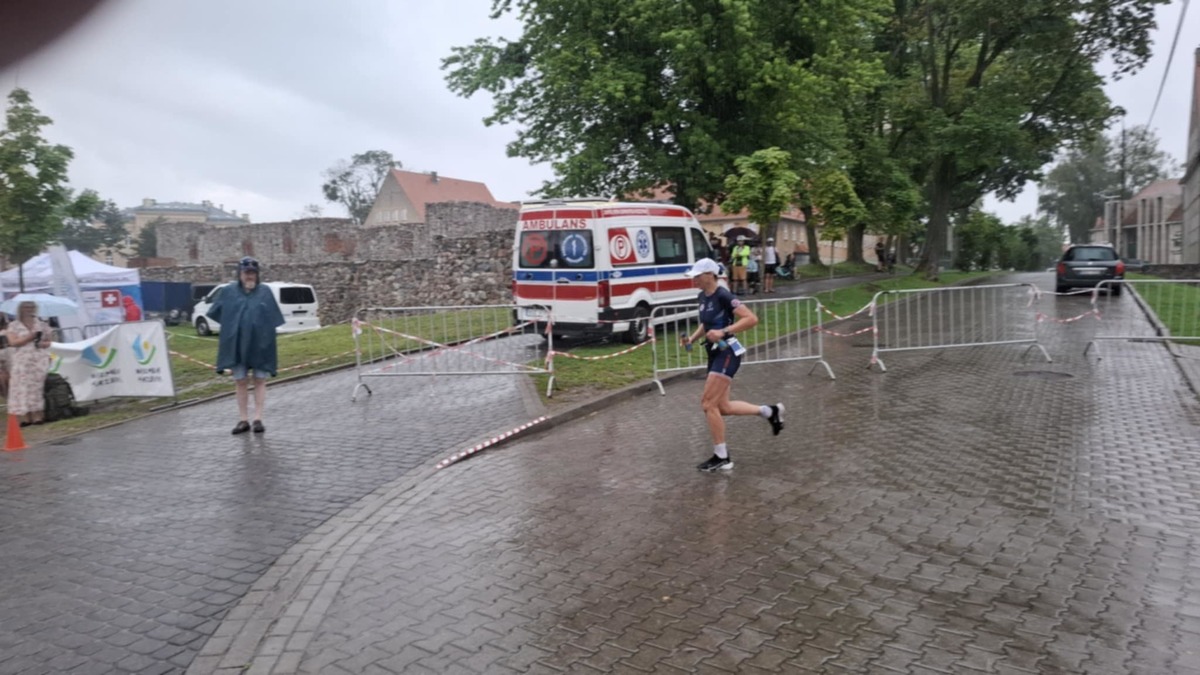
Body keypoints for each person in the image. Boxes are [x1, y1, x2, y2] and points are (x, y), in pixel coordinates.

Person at [680, 258, 784, 472]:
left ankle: (722, 457)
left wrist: (724, 331)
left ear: (710, 275)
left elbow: (751, 319)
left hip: (726, 352)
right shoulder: (702, 296)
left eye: (697, 276)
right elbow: (706, 323)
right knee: (722, 407)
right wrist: (691, 338)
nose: (694, 280)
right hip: (713, 353)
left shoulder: (724, 295)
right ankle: (769, 411)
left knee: (708, 404)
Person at [207, 256, 285, 434]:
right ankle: (243, 420)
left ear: (257, 275)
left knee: (260, 380)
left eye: (252, 273)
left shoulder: (265, 292)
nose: (249, 276)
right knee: (240, 381)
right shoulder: (229, 292)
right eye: (246, 272)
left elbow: (273, 318)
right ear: (240, 273)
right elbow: (219, 314)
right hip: (237, 344)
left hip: (260, 344)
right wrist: (233, 328)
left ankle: (258, 418)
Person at [4, 301, 52, 426]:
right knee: (22, 387)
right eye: (26, 307)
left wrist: (42, 343)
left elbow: (49, 341)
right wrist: (29, 337)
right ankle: (25, 417)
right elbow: (13, 342)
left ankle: (38, 415)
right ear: (21, 309)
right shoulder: (14, 325)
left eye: (31, 307)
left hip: (39, 358)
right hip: (22, 359)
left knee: (37, 387)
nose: (29, 309)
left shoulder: (41, 324)